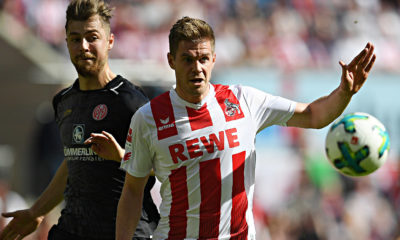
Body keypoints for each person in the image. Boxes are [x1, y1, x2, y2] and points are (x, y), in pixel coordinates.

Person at [88, 16, 376, 240]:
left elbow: (314, 116)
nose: (196, 67)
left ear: (213, 59)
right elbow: (132, 192)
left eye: (203, 59)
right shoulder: (148, 118)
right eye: (187, 59)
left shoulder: (244, 100)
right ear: (171, 61)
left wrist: (344, 92)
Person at [0, 0, 159, 239]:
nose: (83, 46)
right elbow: (74, 162)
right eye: (75, 39)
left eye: (92, 37)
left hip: (122, 232)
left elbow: (165, 167)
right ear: (66, 43)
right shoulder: (65, 101)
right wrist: (37, 211)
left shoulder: (131, 102)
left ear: (110, 41)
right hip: (72, 229)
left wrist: (122, 157)